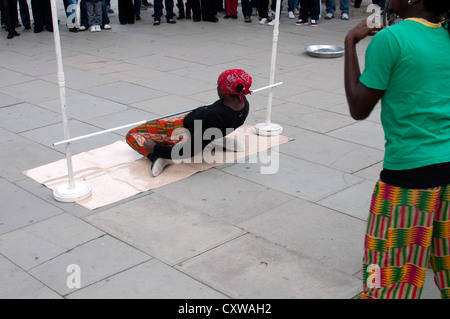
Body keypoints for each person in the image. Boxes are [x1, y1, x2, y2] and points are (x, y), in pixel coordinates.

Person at [344, 0, 450, 299]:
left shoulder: (392, 39)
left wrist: (351, 41)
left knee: (383, 271)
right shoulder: (445, 33)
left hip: (408, 178)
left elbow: (358, 106)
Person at [126, 69, 252, 177]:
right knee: (207, 133)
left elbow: (190, 151)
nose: (217, 88)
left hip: (182, 128)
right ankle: (212, 139)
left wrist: (155, 149)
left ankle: (157, 157)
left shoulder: (215, 117)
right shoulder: (243, 104)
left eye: (218, 86)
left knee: (132, 134)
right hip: (204, 129)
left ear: (224, 91)